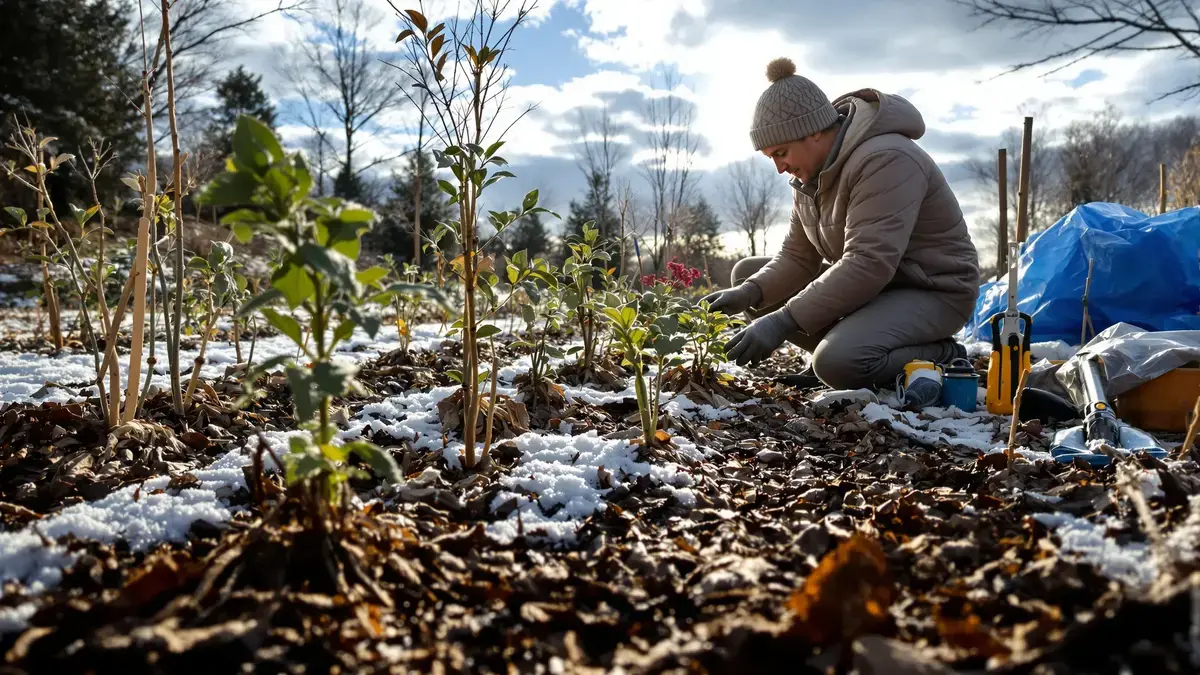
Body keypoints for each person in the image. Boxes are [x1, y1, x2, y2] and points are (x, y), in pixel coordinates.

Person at [702, 57, 980, 392]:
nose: (779, 167)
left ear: (814, 132)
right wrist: (747, 293)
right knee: (749, 276)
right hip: (878, 290)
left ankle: (942, 355)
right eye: (771, 157)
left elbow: (869, 263)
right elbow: (797, 258)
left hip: (932, 292)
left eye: (781, 152)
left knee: (838, 364)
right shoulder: (812, 177)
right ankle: (845, 346)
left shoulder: (886, 158)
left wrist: (783, 321)